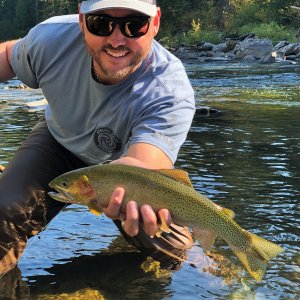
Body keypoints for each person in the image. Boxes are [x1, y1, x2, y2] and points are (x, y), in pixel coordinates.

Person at [0, 0, 195, 275]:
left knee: (172, 249)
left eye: (134, 25)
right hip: (58, 140)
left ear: (155, 23)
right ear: (81, 21)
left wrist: (133, 183)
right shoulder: (50, 40)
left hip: (122, 165)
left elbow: (144, 164)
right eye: (100, 23)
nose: (116, 40)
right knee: (3, 213)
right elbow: (8, 57)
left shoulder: (169, 92)